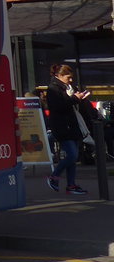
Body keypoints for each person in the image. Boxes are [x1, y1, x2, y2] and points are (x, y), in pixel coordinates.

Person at [45, 64, 90, 196]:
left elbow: (71, 105)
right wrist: (75, 99)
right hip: (63, 127)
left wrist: (78, 98)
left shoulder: (68, 87)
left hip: (72, 126)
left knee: (73, 157)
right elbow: (58, 107)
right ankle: (54, 176)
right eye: (68, 77)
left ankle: (71, 185)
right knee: (72, 155)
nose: (71, 80)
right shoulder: (53, 89)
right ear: (59, 76)